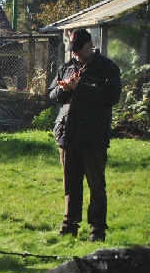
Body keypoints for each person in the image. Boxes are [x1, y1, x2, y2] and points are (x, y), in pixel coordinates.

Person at [48, 29, 122, 242]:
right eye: (73, 50)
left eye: (79, 49)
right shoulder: (66, 67)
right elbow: (52, 94)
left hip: (93, 136)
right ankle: (69, 225)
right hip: (68, 135)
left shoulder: (107, 68)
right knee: (70, 184)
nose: (76, 53)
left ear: (91, 45)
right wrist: (63, 89)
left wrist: (80, 87)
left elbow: (111, 96)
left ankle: (97, 229)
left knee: (95, 185)